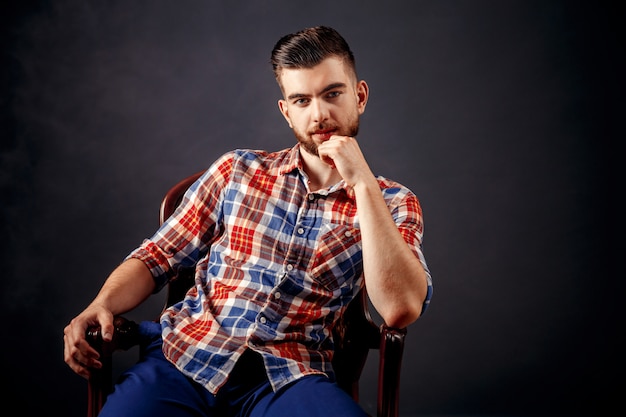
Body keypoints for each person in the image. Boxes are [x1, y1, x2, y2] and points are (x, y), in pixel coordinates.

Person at [63, 25, 433, 417]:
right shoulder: (237, 170)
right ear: (286, 110)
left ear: (359, 97)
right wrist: (100, 303)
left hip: (288, 376)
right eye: (302, 100)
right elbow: (158, 256)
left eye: (333, 94)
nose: (320, 114)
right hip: (185, 355)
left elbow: (400, 308)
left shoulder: (393, 201)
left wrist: (361, 183)